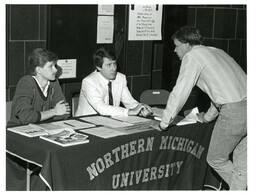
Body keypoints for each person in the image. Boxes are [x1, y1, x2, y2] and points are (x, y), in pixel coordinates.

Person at [158, 26, 247, 190]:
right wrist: (207, 118)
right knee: (242, 165)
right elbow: (221, 92)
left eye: (177, 45)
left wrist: (164, 122)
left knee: (216, 159)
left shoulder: (192, 56)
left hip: (234, 113)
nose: (175, 49)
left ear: (186, 44)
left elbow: (180, 91)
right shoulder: (217, 51)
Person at [75, 47, 152, 117]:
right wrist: (129, 112)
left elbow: (129, 101)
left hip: (110, 120)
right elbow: (101, 108)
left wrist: (140, 108)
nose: (114, 68)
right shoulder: (89, 82)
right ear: (98, 67)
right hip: (87, 122)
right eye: (109, 65)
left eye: (114, 64)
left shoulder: (121, 78)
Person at [8, 48, 70, 126]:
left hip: (43, 128)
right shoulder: (26, 83)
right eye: (51, 66)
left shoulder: (54, 82)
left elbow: (65, 112)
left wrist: (40, 117)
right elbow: (26, 117)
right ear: (39, 70)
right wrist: (54, 112)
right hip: (17, 130)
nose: (55, 70)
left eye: (55, 65)